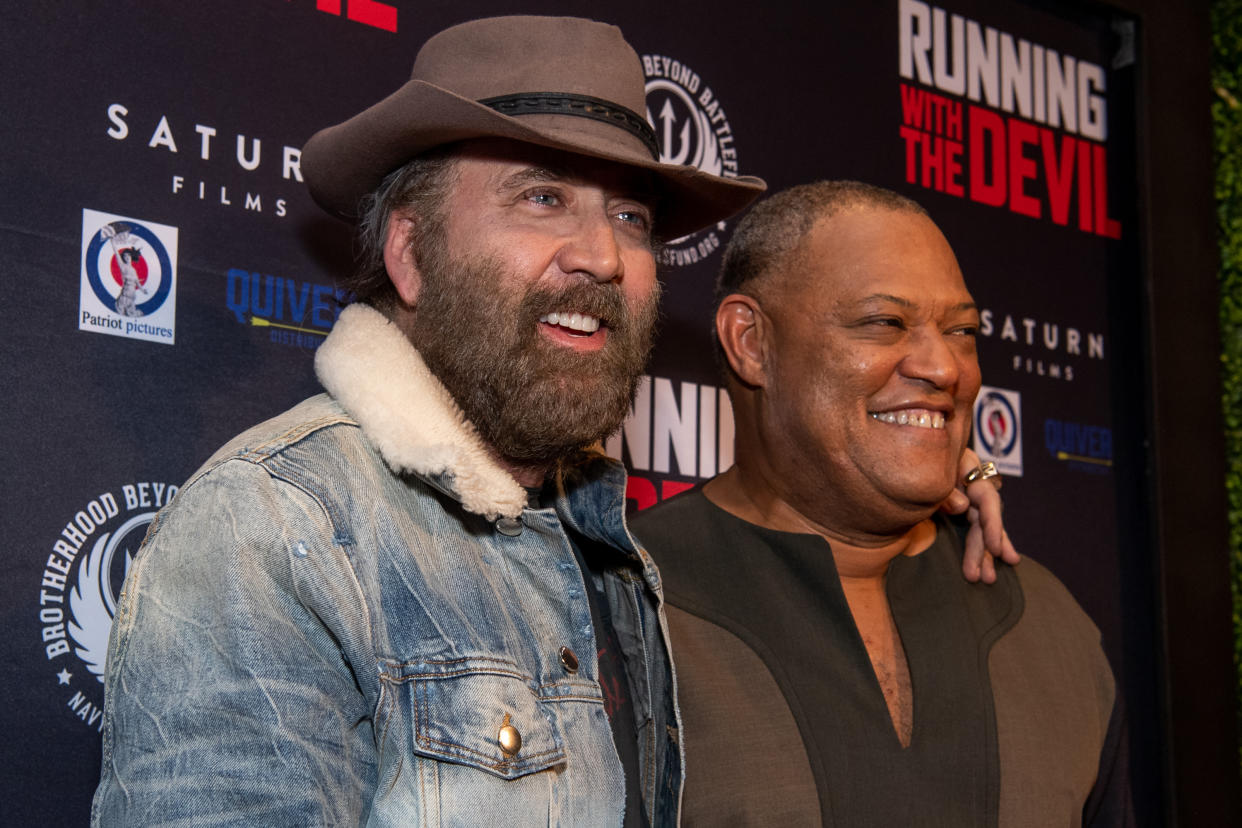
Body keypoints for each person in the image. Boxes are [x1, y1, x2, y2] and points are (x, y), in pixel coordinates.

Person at [91, 18, 1008, 826]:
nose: (604, 255)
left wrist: (931, 472)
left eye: (632, 216)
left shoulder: (601, 545)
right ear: (410, 251)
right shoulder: (274, 534)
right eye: (541, 198)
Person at [632, 181, 1131, 826]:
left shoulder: (1052, 627)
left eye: (962, 331)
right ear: (751, 342)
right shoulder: (620, 610)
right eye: (884, 323)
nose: (943, 367)